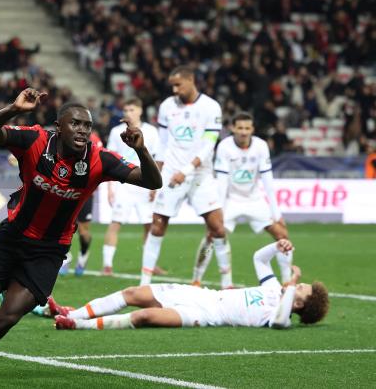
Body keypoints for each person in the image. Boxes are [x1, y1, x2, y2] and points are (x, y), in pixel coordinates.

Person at [0, 88, 162, 381]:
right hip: (11, 239)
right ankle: (2, 277)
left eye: (87, 126)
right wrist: (14, 109)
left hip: (48, 252)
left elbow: (153, 181)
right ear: (58, 126)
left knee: (6, 318)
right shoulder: (35, 140)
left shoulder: (101, 159)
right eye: (75, 123)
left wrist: (140, 149)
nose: (82, 130)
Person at [51, 239, 329, 330]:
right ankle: (70, 313)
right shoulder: (272, 288)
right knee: (133, 293)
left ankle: (78, 324)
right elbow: (259, 259)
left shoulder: (279, 316)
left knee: (145, 315)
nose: (297, 284)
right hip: (203, 295)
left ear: (300, 303)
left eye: (301, 288)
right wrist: (276, 246)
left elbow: (281, 320)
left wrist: (292, 282)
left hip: (204, 315)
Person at [140, 65, 229, 288]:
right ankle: (144, 283)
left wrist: (187, 171)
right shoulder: (167, 107)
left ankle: (225, 282)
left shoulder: (211, 107)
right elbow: (162, 144)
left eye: (178, 85)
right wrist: (155, 176)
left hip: (200, 174)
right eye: (172, 86)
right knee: (157, 225)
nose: (175, 90)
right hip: (171, 173)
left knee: (217, 228)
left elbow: (209, 145)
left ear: (191, 80)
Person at [192, 112, 292, 286]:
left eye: (247, 128)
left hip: (254, 200)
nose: (244, 132)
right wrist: (219, 210)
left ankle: (287, 281)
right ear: (232, 128)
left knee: (282, 234)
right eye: (240, 128)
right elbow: (222, 182)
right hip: (230, 200)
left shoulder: (261, 146)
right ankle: (198, 279)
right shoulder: (225, 146)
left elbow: (268, 180)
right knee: (211, 235)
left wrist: (276, 212)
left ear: (252, 129)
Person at [100, 97, 160, 276]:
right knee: (115, 223)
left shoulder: (151, 131)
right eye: (125, 110)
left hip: (144, 181)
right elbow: (110, 158)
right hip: (124, 182)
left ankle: (150, 264)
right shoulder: (116, 131)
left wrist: (154, 187)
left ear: (140, 111)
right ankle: (107, 265)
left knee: (149, 225)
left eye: (132, 110)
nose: (128, 113)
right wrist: (110, 187)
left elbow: (156, 158)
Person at [59, 130, 103, 276]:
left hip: (86, 192)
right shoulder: (65, 137)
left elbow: (99, 161)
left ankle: (83, 256)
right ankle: (66, 258)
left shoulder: (94, 139)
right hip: (65, 190)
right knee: (61, 227)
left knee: (83, 232)